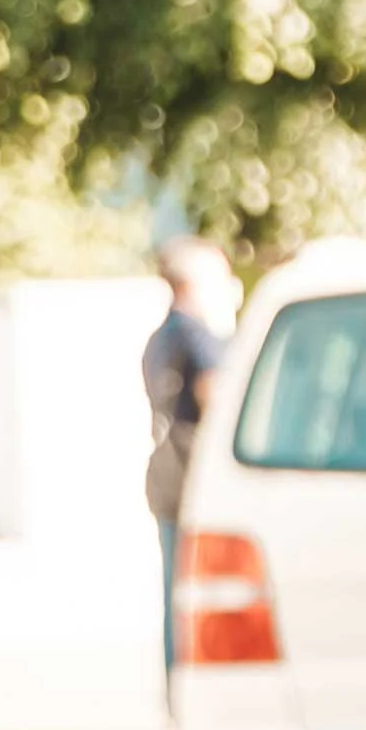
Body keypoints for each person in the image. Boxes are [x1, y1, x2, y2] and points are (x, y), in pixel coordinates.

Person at [141, 237, 241, 688]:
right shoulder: (198, 336)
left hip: (165, 478)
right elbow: (217, 400)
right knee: (209, 594)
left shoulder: (160, 338)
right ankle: (201, 688)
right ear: (193, 282)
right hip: (195, 481)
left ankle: (176, 688)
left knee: (174, 596)